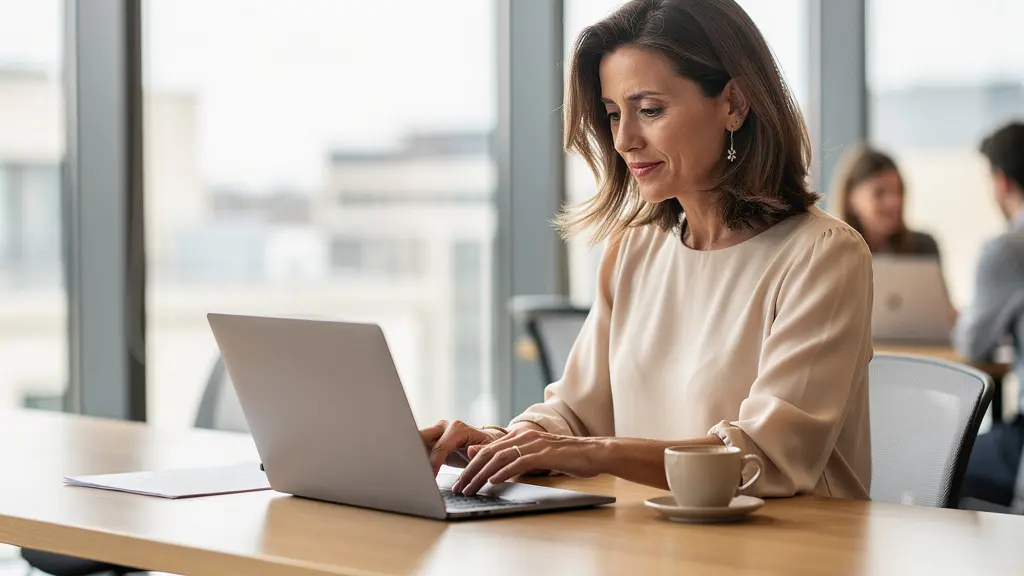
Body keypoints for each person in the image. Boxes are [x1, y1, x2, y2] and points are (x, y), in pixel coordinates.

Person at [422, 0, 874, 500]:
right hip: (654, 547)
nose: (624, 140)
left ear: (734, 104)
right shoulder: (634, 250)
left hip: (792, 552)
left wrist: (597, 452)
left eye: (650, 110)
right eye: (614, 115)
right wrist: (498, 443)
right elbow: (575, 414)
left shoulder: (824, 255)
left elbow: (765, 459)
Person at [957, 122, 1024, 510]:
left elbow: (971, 343)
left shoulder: (1007, 249)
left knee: (928, 461)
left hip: (1020, 446)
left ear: (1000, 182)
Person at [831, 145, 941, 257]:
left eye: (898, 191)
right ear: (850, 199)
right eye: (880, 193)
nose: (894, 202)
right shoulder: (830, 251)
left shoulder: (923, 249)